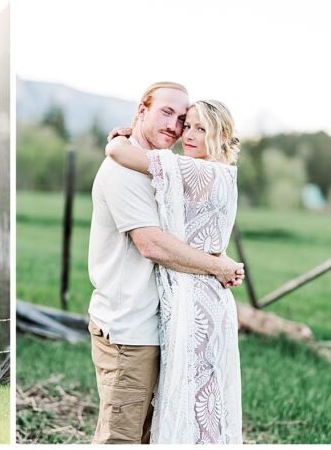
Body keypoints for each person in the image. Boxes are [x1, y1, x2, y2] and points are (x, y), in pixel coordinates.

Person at [86, 82, 244, 444]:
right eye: (169, 114)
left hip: (171, 321)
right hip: (131, 328)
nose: (178, 128)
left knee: (156, 433)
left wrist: (218, 258)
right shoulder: (128, 170)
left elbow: (189, 233)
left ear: (220, 136)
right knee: (122, 438)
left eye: (188, 122)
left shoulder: (177, 171)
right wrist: (218, 264)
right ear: (141, 110)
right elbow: (154, 245)